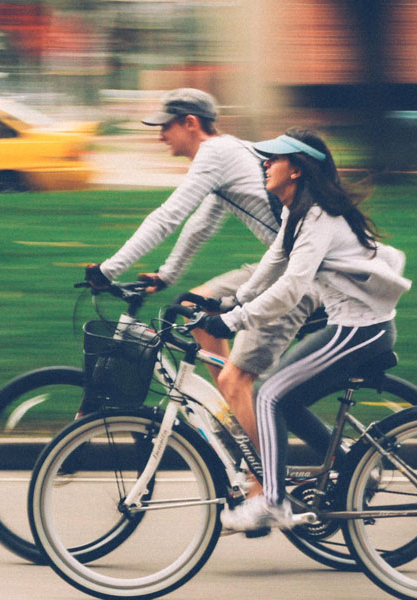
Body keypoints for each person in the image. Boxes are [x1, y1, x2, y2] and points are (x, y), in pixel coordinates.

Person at [84, 88, 319, 467]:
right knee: (195, 308)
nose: (160, 135)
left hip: (301, 275)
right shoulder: (227, 153)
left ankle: (261, 484)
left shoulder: (215, 154)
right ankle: (237, 420)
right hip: (282, 264)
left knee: (234, 379)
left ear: (190, 123)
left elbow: (168, 216)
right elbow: (200, 226)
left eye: (166, 126)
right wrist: (166, 275)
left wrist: (108, 269)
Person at [196, 128, 412, 531]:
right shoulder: (299, 212)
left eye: (273, 159)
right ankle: (349, 464)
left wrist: (233, 320)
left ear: (296, 169)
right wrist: (232, 300)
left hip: (360, 331)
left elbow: (291, 288)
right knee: (286, 401)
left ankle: (273, 501)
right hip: (352, 328)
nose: (264, 163)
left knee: (268, 396)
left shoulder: (318, 216)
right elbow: (272, 264)